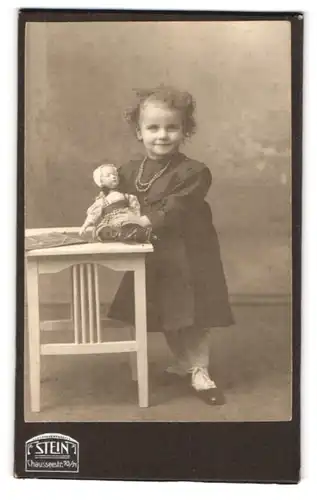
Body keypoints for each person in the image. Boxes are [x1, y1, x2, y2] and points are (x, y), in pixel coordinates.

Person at [108, 86, 234, 405]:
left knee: (192, 314)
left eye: (171, 127)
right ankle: (182, 363)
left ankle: (201, 372)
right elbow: (113, 196)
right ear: (139, 131)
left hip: (190, 254)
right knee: (166, 312)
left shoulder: (194, 171)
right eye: (153, 128)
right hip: (156, 255)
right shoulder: (129, 170)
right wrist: (103, 179)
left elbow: (179, 205)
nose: (162, 135)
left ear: (184, 131)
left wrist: (145, 221)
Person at [79, 163, 152, 243]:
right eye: (108, 175)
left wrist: (137, 220)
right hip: (110, 221)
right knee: (102, 230)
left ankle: (132, 233)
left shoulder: (126, 196)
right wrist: (84, 226)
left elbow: (135, 209)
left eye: (114, 175)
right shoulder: (102, 200)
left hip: (125, 218)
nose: (113, 177)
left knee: (130, 225)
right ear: (101, 181)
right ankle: (116, 234)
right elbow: (93, 215)